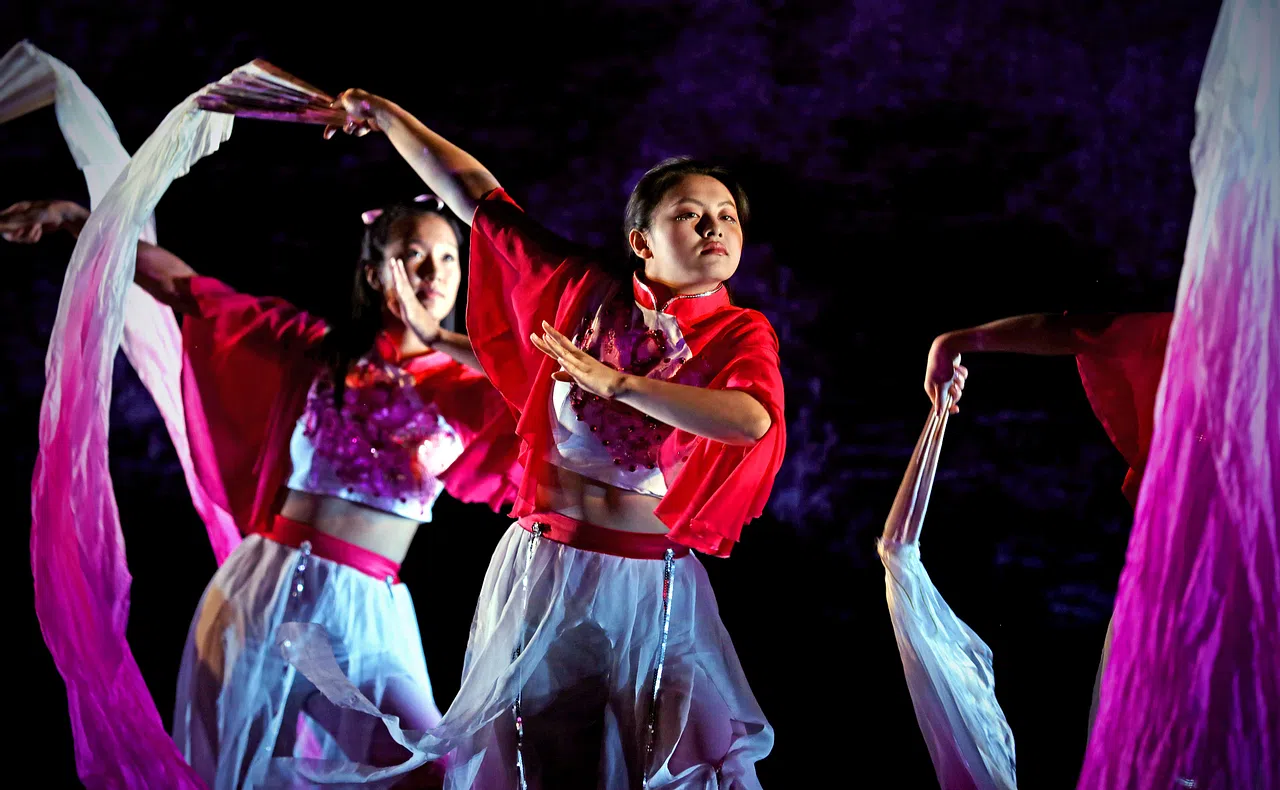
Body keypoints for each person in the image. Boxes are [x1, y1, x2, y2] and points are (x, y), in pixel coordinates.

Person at [280, 89, 790, 789]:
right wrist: (389, 118)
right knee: (552, 766)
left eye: (728, 216)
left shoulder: (739, 332)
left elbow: (749, 418)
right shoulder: (581, 290)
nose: (716, 227)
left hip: (657, 584)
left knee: (681, 767)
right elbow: (478, 199)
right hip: (552, 568)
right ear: (642, 241)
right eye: (690, 215)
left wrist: (620, 385)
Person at [2, 193, 522, 789]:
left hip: (369, 614)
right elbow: (189, 290)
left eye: (449, 258)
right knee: (226, 773)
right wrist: (74, 223)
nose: (435, 273)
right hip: (265, 592)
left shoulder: (474, 387)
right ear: (377, 273)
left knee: (432, 773)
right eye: (415, 256)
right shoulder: (319, 352)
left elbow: (549, 417)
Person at [922, 310, 1172, 733]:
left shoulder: (1215, 335)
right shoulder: (1173, 326)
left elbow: (1086, 330)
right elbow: (1082, 329)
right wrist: (955, 342)